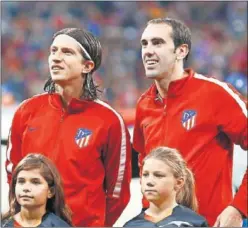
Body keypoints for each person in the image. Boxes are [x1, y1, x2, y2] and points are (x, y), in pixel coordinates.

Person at [5, 27, 132, 227]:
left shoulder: (109, 121)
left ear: (87, 66)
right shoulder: (26, 111)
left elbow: (117, 191)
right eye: (53, 51)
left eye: (67, 52)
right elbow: (13, 173)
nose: (56, 58)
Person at [133, 17, 247, 227]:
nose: (148, 51)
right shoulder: (144, 105)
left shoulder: (215, 94)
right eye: (144, 43)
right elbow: (144, 162)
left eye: (157, 43)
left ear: (181, 51)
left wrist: (239, 207)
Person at [124, 147, 208, 227]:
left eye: (158, 175)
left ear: (179, 182)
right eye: (145, 175)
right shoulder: (131, 225)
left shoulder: (195, 222)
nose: (149, 182)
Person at [2, 154, 71, 227]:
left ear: (51, 191)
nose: (26, 188)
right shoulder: (4, 224)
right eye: (21, 181)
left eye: (35, 182)